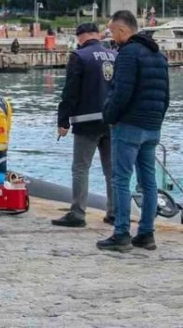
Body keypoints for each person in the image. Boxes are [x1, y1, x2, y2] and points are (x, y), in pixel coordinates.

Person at [98, 10, 169, 253]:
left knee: (120, 179)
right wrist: (157, 120)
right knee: (148, 181)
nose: (111, 36)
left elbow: (121, 92)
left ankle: (121, 233)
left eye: (111, 31)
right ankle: (146, 233)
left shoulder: (128, 53)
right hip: (152, 126)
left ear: (122, 30)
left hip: (129, 125)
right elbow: (166, 95)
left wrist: (109, 116)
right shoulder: (158, 54)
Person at [53, 23, 117, 228]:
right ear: (97, 35)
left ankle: (78, 213)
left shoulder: (79, 57)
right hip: (112, 120)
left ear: (80, 37)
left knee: (81, 168)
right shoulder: (114, 55)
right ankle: (114, 212)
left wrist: (63, 121)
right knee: (112, 170)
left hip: (86, 121)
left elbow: (71, 91)